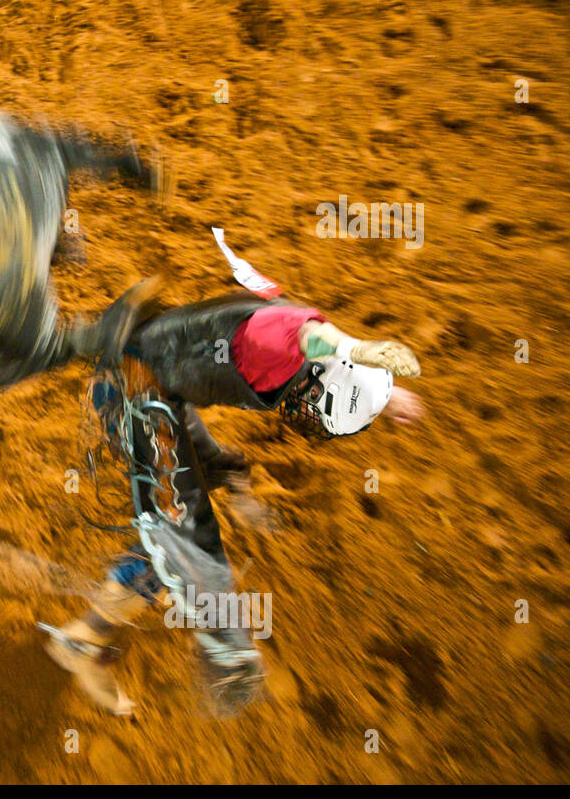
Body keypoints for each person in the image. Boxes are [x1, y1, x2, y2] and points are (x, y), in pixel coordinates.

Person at [43, 290, 424, 716]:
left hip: (158, 385)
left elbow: (324, 347)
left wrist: (381, 394)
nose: (308, 414)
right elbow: (307, 336)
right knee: (184, 543)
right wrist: (357, 348)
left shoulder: (315, 362)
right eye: (319, 408)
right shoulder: (279, 344)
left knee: (218, 471)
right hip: (132, 391)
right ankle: (83, 640)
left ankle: (110, 617)